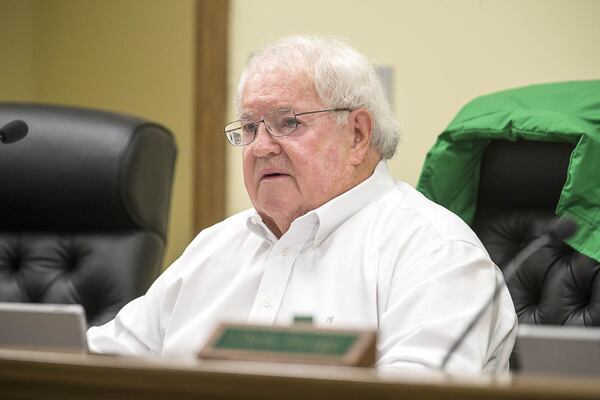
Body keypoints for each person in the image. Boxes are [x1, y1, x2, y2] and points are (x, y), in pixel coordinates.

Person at [87, 35, 517, 374]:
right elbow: (101, 362)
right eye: (250, 128)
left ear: (358, 134)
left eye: (287, 123)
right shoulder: (213, 247)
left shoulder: (435, 253)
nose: (260, 147)